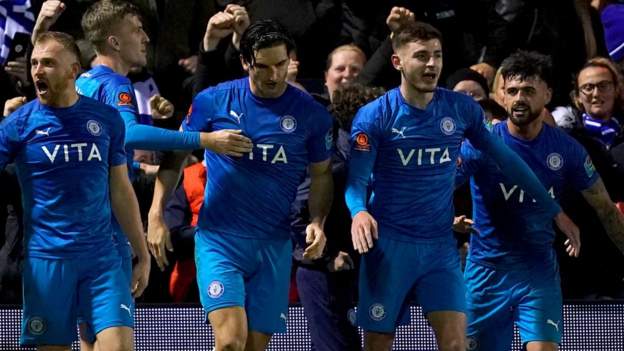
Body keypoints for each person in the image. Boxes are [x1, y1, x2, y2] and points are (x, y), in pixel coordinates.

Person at [345, 22, 580, 351]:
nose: (432, 64)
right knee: (378, 344)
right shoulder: (374, 117)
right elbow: (355, 182)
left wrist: (556, 212)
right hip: (389, 247)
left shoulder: (461, 109)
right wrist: (359, 213)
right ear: (397, 62)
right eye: (422, 56)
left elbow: (508, 161)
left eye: (437, 56)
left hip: (439, 248)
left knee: (456, 343)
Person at [147, 19, 334, 351]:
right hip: (220, 241)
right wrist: (156, 213)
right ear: (246, 62)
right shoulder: (213, 101)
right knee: (230, 342)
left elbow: (321, 174)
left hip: (273, 245)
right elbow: (176, 155)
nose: (273, 75)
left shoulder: (312, 115)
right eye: (263, 66)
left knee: (252, 346)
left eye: (280, 64)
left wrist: (318, 221)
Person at [457, 50, 624, 351]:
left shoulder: (567, 150)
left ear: (547, 94)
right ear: (502, 97)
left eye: (529, 91)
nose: (520, 98)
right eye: (512, 91)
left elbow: (605, 209)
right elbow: (433, 190)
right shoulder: (480, 146)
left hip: (537, 273)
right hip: (484, 273)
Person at [0, 31, 149, 351]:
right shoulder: (17, 125)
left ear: (73, 71)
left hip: (101, 259)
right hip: (47, 263)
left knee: (119, 347)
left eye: (49, 63)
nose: (38, 70)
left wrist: (142, 251)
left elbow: (121, 190)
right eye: (35, 63)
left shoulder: (106, 119)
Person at [553, 57, 624, 299]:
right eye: (588, 88)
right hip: (587, 255)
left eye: (603, 85)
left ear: (617, 89)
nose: (596, 93)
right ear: (577, 96)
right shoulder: (567, 141)